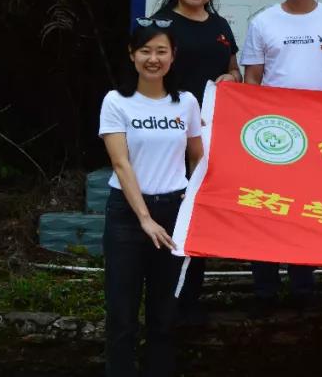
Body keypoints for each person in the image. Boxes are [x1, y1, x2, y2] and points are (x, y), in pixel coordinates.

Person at [240, 0, 322, 311]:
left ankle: (304, 286)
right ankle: (265, 290)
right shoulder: (263, 22)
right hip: (274, 134)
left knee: (307, 209)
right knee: (267, 209)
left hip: (321, 134)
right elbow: (252, 80)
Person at [99, 20, 203, 377]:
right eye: (145, 51)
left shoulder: (186, 102)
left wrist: (193, 200)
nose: (153, 59)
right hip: (127, 216)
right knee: (122, 313)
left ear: (173, 56)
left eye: (161, 51)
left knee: (164, 314)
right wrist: (144, 218)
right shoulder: (116, 101)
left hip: (173, 213)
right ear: (132, 55)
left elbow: (197, 156)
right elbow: (121, 163)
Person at [152, 0, 240, 316]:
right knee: (167, 210)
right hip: (165, 134)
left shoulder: (220, 26)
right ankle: (160, 301)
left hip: (207, 138)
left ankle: (189, 299)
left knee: (196, 211)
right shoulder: (159, 25)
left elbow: (234, 71)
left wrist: (231, 78)